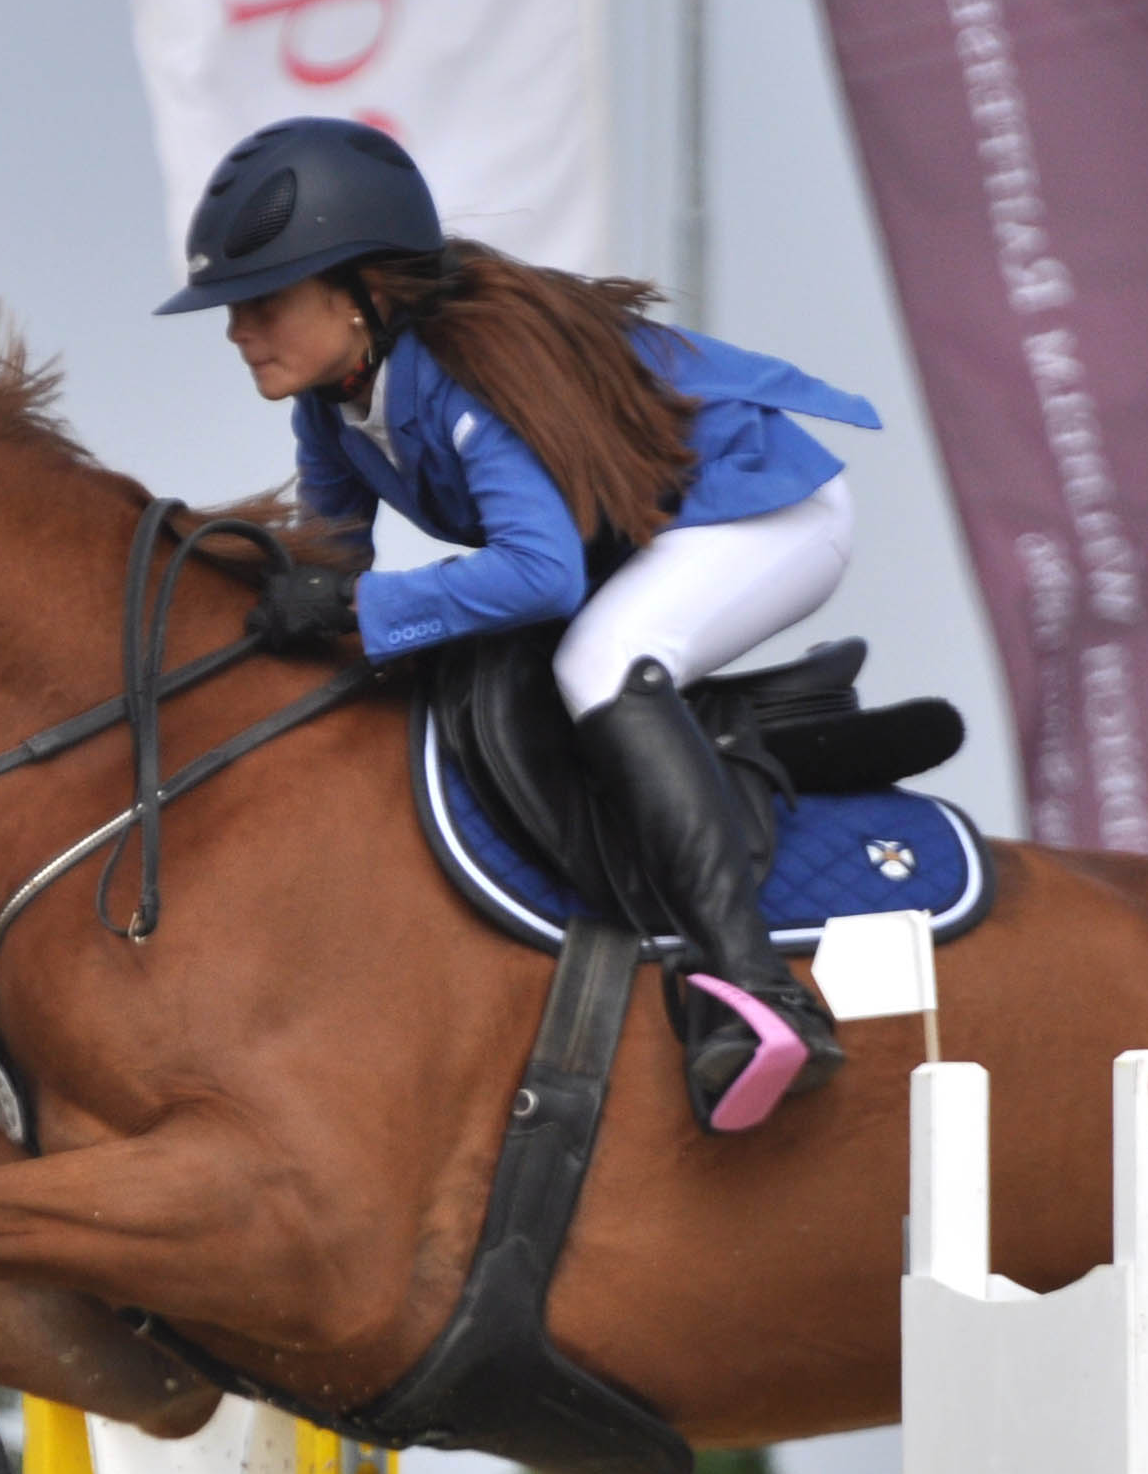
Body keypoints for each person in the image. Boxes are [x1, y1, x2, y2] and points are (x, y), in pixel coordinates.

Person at [161, 116, 881, 1133]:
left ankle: (764, 991)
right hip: (647, 534)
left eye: (262, 302)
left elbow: (539, 577)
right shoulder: (330, 407)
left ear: (361, 289)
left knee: (600, 660)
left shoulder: (463, 376)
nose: (238, 330)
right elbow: (333, 566)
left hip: (764, 509)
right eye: (232, 307)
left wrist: (359, 608)